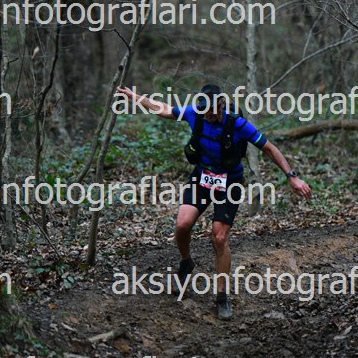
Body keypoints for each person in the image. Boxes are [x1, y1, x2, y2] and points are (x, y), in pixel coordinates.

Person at [116, 84, 312, 320]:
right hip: (202, 178)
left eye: (212, 111)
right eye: (204, 111)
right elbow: (163, 109)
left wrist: (292, 177)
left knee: (219, 237)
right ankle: (186, 263)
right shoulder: (195, 113)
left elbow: (269, 148)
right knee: (182, 224)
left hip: (230, 182)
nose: (208, 115)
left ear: (221, 104)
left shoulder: (237, 124)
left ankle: (221, 297)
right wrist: (134, 97)